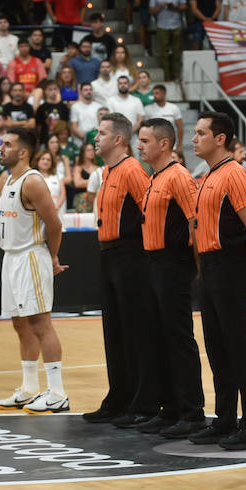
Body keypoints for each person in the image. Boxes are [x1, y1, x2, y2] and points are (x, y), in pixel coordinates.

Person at [186, 112, 246, 450]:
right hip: (210, 267)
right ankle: (225, 420)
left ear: (220, 138)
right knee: (217, 347)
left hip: (231, 266)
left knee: (239, 346)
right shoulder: (206, 176)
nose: (194, 138)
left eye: (201, 133)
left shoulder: (235, 174)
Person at [132, 117, 207, 435]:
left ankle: (192, 413)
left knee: (178, 338)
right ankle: (170, 406)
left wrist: (197, 266)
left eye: (145, 141)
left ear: (165, 144)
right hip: (153, 264)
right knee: (158, 337)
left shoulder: (178, 176)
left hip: (173, 264)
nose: (140, 146)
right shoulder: (155, 176)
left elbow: (196, 221)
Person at [0, 128, 70, 413]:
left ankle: (58, 392)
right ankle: (28, 388)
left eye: (7, 144)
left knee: (40, 323)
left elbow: (55, 224)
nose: (1, 148)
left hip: (30, 257)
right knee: (19, 324)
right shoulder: (8, 179)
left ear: (22, 152)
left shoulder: (33, 181)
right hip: (11, 257)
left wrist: (52, 256)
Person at [82, 112, 150, 424]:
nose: (96, 138)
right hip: (107, 254)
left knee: (134, 329)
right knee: (114, 330)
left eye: (101, 133)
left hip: (129, 254)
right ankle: (118, 395)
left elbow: (150, 210)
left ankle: (139, 399)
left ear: (118, 139)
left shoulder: (132, 169)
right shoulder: (106, 171)